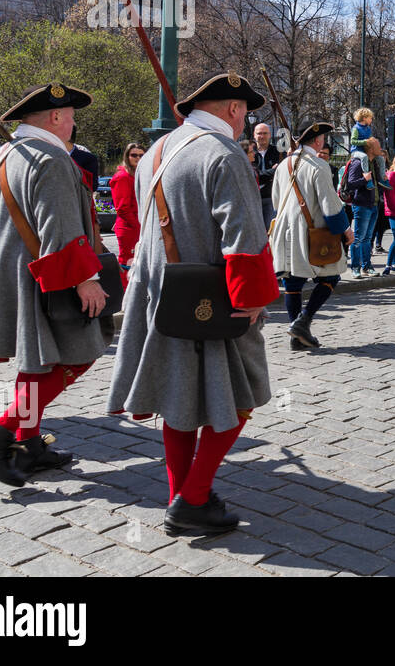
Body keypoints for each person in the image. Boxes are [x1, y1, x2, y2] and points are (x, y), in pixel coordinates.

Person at [108, 72, 279, 535]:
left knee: (178, 397)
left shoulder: (157, 152)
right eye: (245, 112)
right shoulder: (224, 152)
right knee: (241, 395)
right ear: (234, 110)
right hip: (211, 297)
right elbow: (244, 237)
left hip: (159, 294)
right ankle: (193, 497)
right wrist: (251, 301)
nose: (245, 122)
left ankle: (179, 497)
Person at [0, 84, 110, 487]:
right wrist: (86, 280)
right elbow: (59, 228)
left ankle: (28, 444)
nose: (74, 122)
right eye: (71, 115)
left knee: (36, 362)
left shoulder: (0, 156)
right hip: (47, 276)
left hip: (9, 273)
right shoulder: (50, 159)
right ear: (56, 117)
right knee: (80, 354)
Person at [270, 122, 353, 348]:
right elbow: (329, 204)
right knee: (331, 276)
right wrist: (344, 229)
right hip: (309, 231)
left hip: (284, 230)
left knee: (293, 283)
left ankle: (297, 337)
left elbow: (277, 202)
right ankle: (303, 320)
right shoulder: (319, 165)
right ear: (317, 141)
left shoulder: (283, 165)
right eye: (323, 138)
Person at [345, 137, 386, 278]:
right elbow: (350, 183)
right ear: (370, 148)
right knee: (358, 237)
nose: (380, 149)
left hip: (374, 204)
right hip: (362, 204)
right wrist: (364, 180)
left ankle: (367, 266)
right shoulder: (358, 163)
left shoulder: (374, 162)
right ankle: (355, 267)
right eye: (378, 146)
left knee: (367, 238)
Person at [111, 142, 145, 279]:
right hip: (130, 228)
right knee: (128, 263)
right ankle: (125, 296)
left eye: (141, 155)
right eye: (134, 155)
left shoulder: (138, 175)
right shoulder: (123, 177)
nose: (138, 158)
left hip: (138, 226)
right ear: (127, 156)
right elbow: (122, 209)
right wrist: (138, 227)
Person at [251, 122, 282, 227]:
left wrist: (259, 174)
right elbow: (251, 175)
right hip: (252, 199)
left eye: (265, 133)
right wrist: (272, 172)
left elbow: (281, 172)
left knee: (271, 231)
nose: (262, 136)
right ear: (254, 135)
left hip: (271, 199)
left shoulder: (278, 152)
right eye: (259, 133)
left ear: (270, 135)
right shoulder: (248, 152)